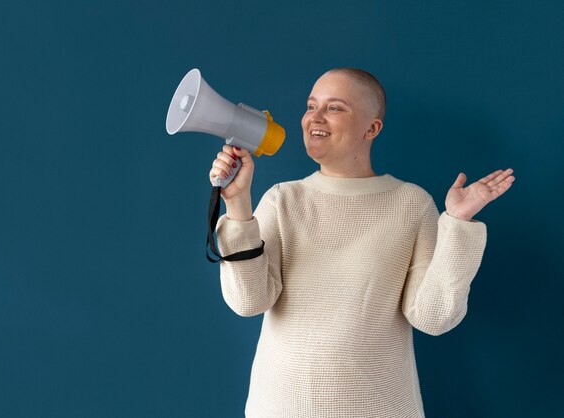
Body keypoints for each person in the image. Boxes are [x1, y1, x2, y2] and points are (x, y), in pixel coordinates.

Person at [208, 68, 515, 418]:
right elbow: (248, 301)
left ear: (372, 128)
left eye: (334, 107)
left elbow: (433, 317)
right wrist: (237, 204)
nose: (314, 118)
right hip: (280, 407)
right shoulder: (282, 200)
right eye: (311, 105)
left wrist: (458, 224)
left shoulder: (411, 204)